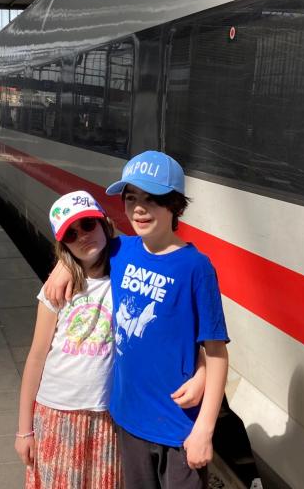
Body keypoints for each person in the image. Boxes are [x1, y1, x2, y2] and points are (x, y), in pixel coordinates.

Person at [44, 151, 230, 489]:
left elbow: (216, 351)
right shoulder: (122, 251)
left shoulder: (196, 268)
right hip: (128, 420)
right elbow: (84, 247)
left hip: (178, 426)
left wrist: (204, 428)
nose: (139, 208)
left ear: (175, 205)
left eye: (152, 198)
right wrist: (61, 266)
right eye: (131, 198)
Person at [19, 190, 207, 489]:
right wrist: (24, 430)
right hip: (56, 413)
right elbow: (36, 357)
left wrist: (202, 368)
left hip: (107, 416)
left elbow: (172, 330)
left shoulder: (129, 272)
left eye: (88, 225)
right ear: (62, 244)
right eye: (70, 233)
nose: (82, 236)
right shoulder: (57, 290)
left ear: (105, 224)